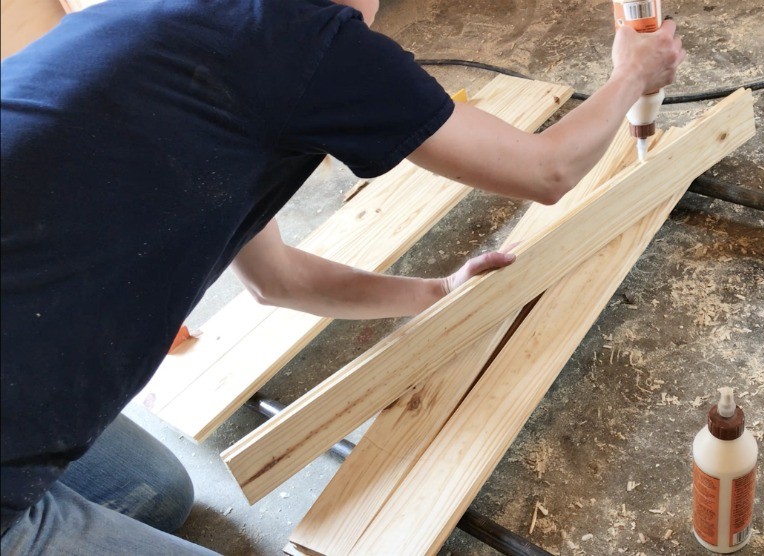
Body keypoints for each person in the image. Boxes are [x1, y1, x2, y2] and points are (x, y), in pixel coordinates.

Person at [0, 0, 684, 553]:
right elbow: (547, 171)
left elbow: (275, 277)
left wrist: (438, 293)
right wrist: (630, 75)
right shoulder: (305, 37)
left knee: (155, 492)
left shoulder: (175, 40)